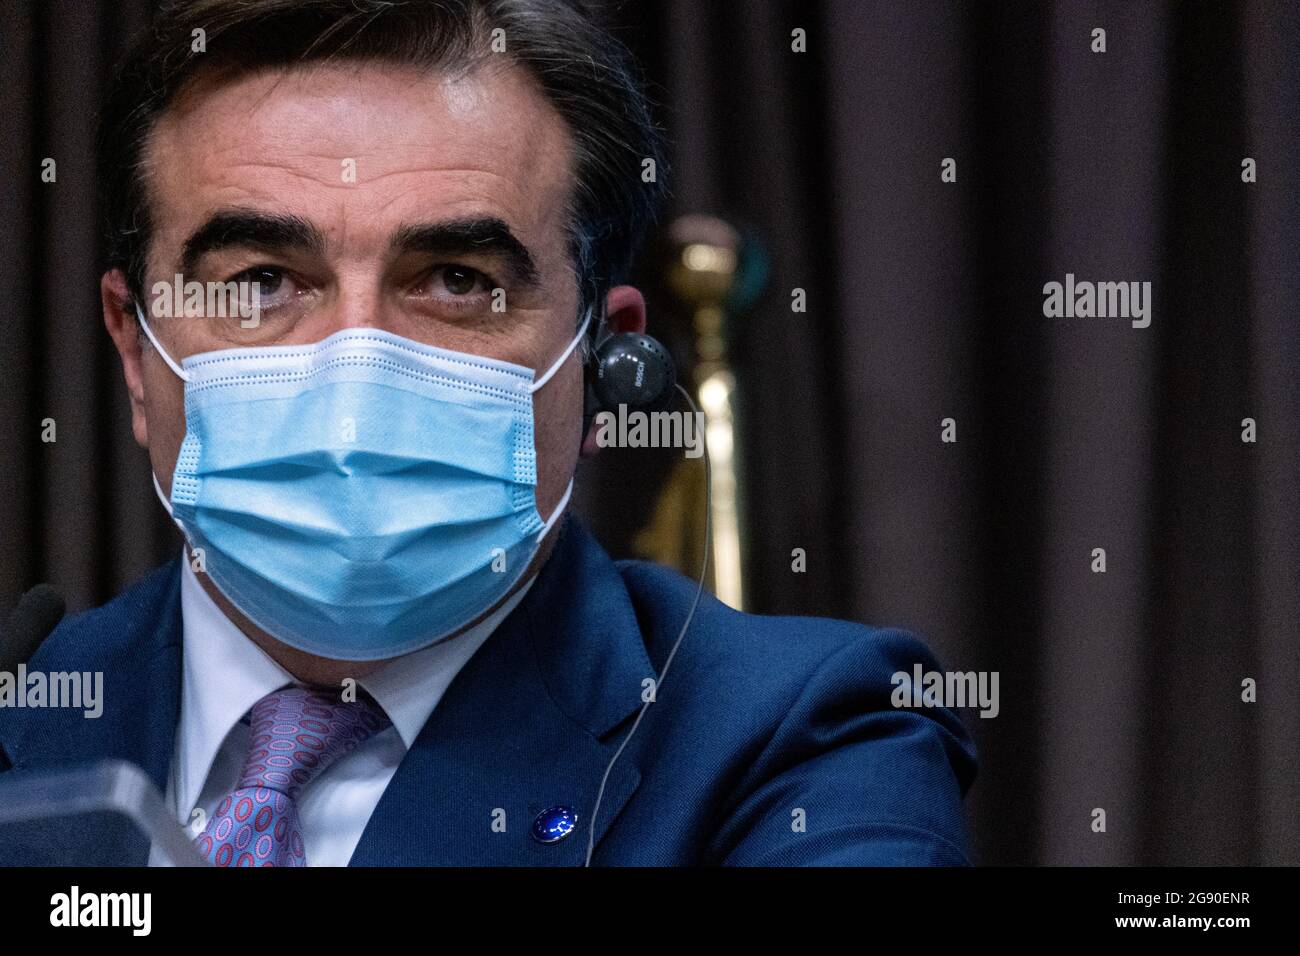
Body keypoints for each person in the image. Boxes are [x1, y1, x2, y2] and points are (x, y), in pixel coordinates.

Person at [0, 0, 976, 866]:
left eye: (457, 280)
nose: (355, 374)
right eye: (260, 282)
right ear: (135, 350)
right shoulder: (23, 710)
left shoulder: (803, 739)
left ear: (598, 357)